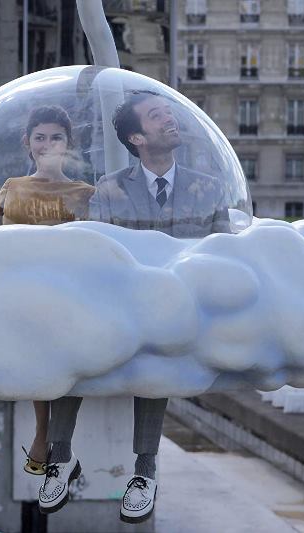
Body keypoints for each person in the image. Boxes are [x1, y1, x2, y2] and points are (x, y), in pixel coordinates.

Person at [38, 90, 230, 523]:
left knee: (158, 358)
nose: (169, 120)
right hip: (121, 306)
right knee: (75, 346)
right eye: (157, 116)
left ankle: (145, 468)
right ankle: (60, 455)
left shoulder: (211, 189)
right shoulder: (108, 189)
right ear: (137, 139)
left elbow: (224, 260)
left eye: (169, 114)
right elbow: (100, 251)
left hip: (177, 312)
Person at [0, 105, 95, 476]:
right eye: (40, 137)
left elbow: (92, 246)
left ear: (69, 143)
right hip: (8, 283)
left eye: (56, 137)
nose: (47, 144)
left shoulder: (84, 192)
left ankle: (41, 433)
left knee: (40, 354)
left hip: (54, 290)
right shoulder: (13, 186)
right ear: (27, 142)